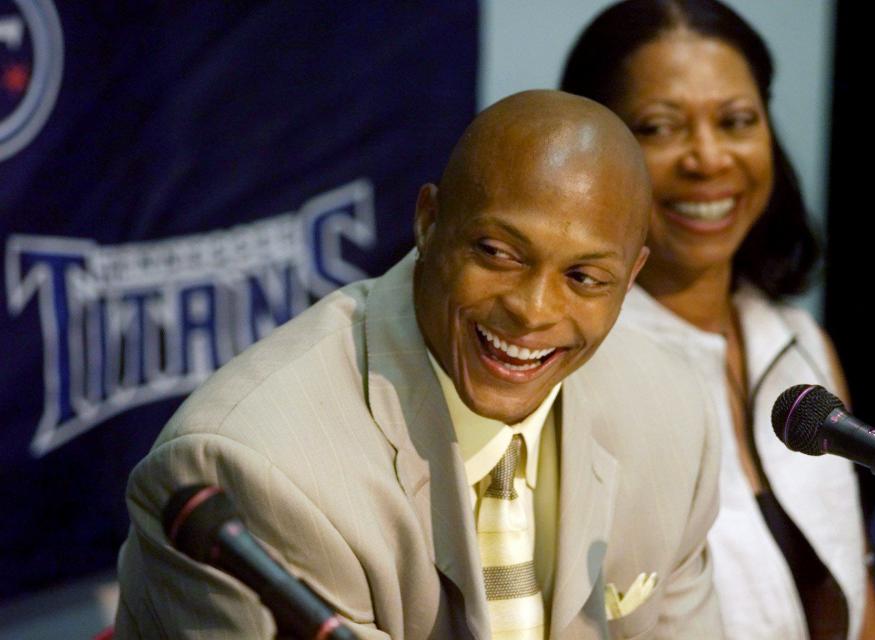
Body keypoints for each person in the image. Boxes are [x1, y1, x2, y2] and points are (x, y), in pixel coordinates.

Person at [114, 90, 724, 639]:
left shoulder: (670, 408)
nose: (534, 311)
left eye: (585, 277)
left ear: (630, 277)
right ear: (429, 223)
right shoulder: (255, 468)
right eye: (498, 253)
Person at [561, 2, 875, 639]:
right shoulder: (577, 366)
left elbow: (856, 595)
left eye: (736, 121)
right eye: (658, 128)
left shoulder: (799, 340)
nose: (708, 159)